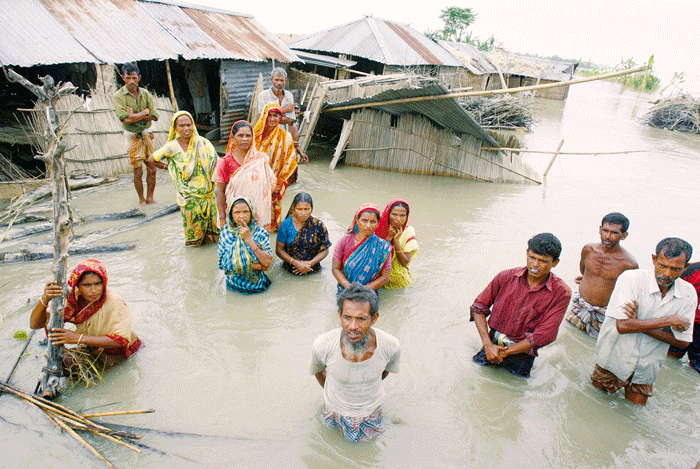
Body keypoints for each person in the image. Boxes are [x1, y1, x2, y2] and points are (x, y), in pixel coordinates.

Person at [592, 238, 697, 405]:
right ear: (654, 259)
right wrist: (668, 321)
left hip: (647, 367)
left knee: (634, 417)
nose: (667, 274)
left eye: (675, 269)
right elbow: (623, 326)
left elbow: (683, 342)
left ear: (686, 267)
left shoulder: (688, 293)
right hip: (614, 357)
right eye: (663, 266)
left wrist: (638, 322)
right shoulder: (631, 279)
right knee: (593, 404)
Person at [470, 233, 572, 378]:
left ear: (555, 263)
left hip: (522, 356)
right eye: (532, 258)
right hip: (491, 346)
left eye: (543, 261)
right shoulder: (505, 277)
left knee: (516, 390)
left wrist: (505, 352)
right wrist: (487, 345)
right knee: (475, 376)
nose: (535, 265)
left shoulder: (561, 293)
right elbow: (478, 307)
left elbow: (544, 335)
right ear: (526, 253)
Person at [310, 283, 400, 442]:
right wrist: (337, 393)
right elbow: (318, 371)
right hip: (334, 410)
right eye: (347, 317)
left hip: (371, 412)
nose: (352, 327)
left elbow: (383, 372)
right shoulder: (322, 344)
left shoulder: (390, 345)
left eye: (361, 319)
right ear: (339, 314)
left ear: (374, 318)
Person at [29, 259, 141, 371]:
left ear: (104, 283)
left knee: (70, 366)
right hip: (93, 347)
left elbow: (121, 340)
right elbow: (35, 324)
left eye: (98, 284)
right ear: (78, 286)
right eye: (87, 285)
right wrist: (44, 299)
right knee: (62, 360)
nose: (94, 290)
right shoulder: (73, 299)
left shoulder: (115, 302)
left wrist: (77, 338)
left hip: (119, 352)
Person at [149, 111, 219, 247]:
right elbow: (152, 159)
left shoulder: (203, 143)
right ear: (175, 128)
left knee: (212, 239)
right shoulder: (172, 146)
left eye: (189, 125)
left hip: (207, 195)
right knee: (194, 238)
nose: (186, 129)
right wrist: (168, 168)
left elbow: (216, 163)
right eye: (181, 126)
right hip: (188, 197)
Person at [566, 212, 638, 337]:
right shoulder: (588, 250)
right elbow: (584, 271)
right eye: (605, 230)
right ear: (600, 230)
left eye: (614, 233)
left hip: (604, 313)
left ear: (624, 235)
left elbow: (629, 294)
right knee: (568, 336)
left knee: (596, 346)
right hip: (579, 305)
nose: (608, 236)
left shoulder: (629, 264)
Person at [215, 120, 276, 231]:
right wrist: (222, 218)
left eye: (248, 136)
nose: (244, 139)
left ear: (252, 138)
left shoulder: (261, 159)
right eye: (240, 135)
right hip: (236, 214)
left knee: (257, 246)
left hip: (259, 212)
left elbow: (268, 187)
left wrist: (271, 210)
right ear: (233, 138)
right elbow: (220, 192)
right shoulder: (225, 162)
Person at [112, 62, 159, 204]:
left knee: (152, 168)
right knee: (137, 170)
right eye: (128, 78)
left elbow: (155, 115)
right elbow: (126, 120)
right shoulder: (118, 96)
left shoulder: (145, 94)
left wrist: (135, 115)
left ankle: (150, 198)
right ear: (123, 78)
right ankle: (141, 200)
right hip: (132, 136)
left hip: (146, 133)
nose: (131, 81)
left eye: (134, 78)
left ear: (138, 77)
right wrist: (144, 112)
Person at [253, 103, 298, 232]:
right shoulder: (255, 136)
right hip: (256, 181)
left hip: (275, 182)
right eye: (269, 115)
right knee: (255, 213)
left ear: (280, 118)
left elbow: (289, 162)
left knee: (272, 215)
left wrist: (278, 183)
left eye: (276, 116)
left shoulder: (285, 136)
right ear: (264, 116)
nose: (272, 119)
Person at [218, 196, 272, 294]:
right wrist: (257, 266)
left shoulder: (260, 233)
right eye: (237, 212)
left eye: (245, 212)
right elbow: (223, 264)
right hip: (233, 285)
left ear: (251, 213)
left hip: (258, 285)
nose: (241, 216)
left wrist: (248, 239)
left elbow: (267, 263)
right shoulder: (226, 233)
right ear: (231, 215)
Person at [332, 203, 392, 292]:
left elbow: (385, 277)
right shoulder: (344, 241)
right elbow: (335, 268)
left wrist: (364, 289)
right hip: (345, 290)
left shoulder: (383, 246)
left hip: (369, 293)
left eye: (373, 221)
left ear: (377, 223)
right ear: (357, 220)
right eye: (364, 220)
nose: (368, 226)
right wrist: (348, 286)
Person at [256, 67, 308, 162]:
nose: (279, 83)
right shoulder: (263, 95)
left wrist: (271, 116)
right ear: (271, 80)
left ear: (286, 81)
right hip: (267, 138)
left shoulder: (289, 96)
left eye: (282, 80)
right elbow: (263, 119)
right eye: (276, 80)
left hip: (283, 139)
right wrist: (283, 111)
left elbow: (290, 121)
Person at [275, 192, 331, 275]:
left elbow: (325, 250)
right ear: (293, 208)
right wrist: (296, 263)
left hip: (312, 269)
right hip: (289, 269)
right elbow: (279, 250)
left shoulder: (318, 225)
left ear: (311, 209)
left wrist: (310, 264)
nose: (303, 213)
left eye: (306, 209)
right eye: (299, 209)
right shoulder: (285, 225)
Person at [375, 199, 419, 288]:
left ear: (407, 216)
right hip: (378, 281)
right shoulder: (377, 229)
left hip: (399, 281)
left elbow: (405, 262)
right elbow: (375, 258)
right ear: (388, 214)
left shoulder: (408, 232)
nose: (398, 219)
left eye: (402, 215)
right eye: (394, 214)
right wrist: (389, 238)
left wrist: (396, 241)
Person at [667, 262, 700, 373]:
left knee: (696, 369)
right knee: (669, 357)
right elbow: (672, 292)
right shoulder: (694, 270)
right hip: (683, 320)